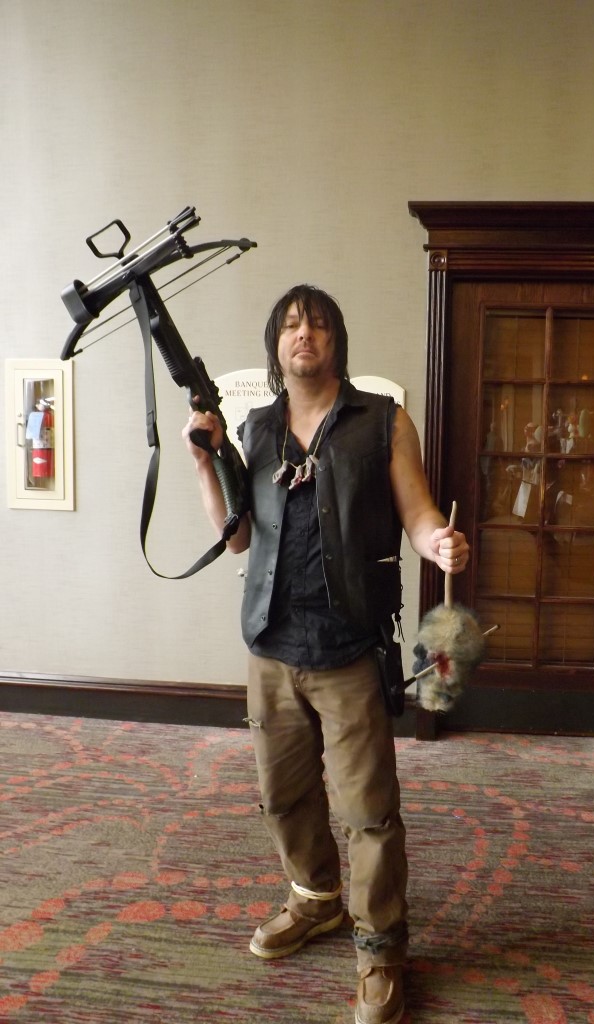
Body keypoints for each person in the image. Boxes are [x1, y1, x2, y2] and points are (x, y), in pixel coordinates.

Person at [183, 284, 469, 1024]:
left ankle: (381, 950)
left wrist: (437, 541)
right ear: (275, 346)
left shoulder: (383, 420)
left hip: (348, 648)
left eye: (315, 323)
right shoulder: (257, 427)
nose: (302, 333)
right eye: (288, 325)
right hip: (272, 647)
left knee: (369, 812)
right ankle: (315, 899)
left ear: (336, 338)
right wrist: (205, 464)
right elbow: (237, 538)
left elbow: (417, 511)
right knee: (282, 795)